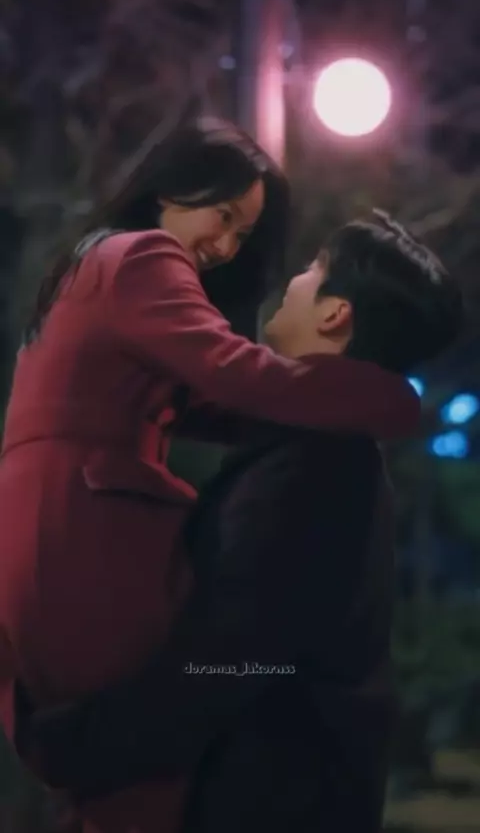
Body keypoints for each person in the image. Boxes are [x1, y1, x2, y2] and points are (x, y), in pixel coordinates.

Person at [15, 212, 463, 832]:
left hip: (267, 804)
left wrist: (66, 742)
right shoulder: (321, 452)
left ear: (335, 314)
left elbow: (233, 659)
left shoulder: (318, 465)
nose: (293, 282)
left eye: (313, 270)